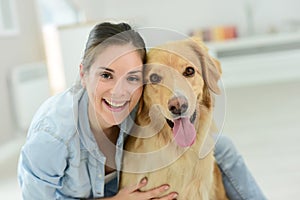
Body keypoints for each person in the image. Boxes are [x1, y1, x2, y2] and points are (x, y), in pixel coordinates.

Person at [18, 22, 266, 200]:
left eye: (132, 78)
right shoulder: (52, 136)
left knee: (221, 145)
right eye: (106, 75)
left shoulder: (141, 102)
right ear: (83, 74)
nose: (119, 92)